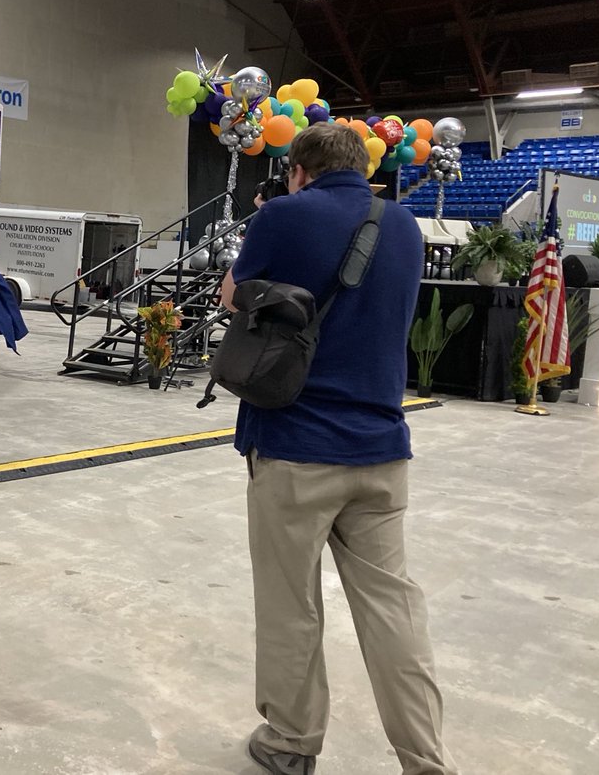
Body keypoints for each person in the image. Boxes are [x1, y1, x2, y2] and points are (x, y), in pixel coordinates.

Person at [221, 123, 458, 775]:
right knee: (394, 609)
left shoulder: (285, 216)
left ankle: (292, 744)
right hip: (382, 449)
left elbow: (231, 297)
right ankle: (425, 759)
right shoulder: (405, 225)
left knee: (292, 605)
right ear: (366, 167)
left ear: (299, 169)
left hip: (296, 445)